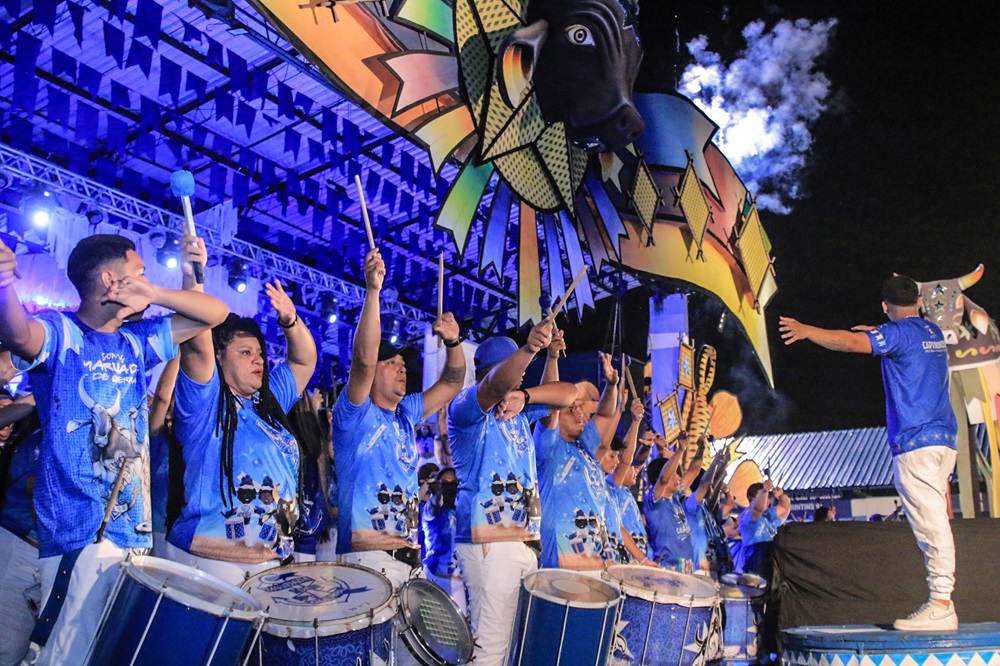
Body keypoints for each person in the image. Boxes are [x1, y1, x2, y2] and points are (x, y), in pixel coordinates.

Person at [0, 233, 229, 666]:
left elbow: (213, 314)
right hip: (79, 534)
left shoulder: (136, 340)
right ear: (111, 280)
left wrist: (173, 283)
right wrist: (3, 286)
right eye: (139, 273)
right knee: (65, 657)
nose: (146, 279)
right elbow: (19, 335)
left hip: (131, 535)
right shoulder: (61, 331)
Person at [780, 274, 959, 631]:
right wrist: (880, 330)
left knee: (931, 523)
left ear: (883, 306)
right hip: (944, 440)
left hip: (916, 443)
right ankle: (941, 599)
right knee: (933, 516)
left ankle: (941, 601)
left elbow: (849, 343)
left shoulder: (895, 335)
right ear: (920, 302)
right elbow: (902, 335)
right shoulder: (932, 332)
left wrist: (807, 330)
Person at [166, 276, 316, 584]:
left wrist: (291, 320)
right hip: (211, 559)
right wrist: (192, 274)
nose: (258, 359)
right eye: (245, 353)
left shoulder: (267, 402)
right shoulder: (205, 403)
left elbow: (304, 361)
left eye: (260, 353)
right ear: (219, 359)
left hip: (272, 559)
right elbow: (196, 345)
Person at [333, 248, 466, 586]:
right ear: (372, 375)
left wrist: (454, 343)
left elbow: (453, 382)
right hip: (367, 557)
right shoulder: (354, 413)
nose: (401, 368)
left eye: (403, 363)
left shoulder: (406, 412)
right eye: (390, 363)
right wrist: (373, 290)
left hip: (409, 553)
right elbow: (363, 360)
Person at [448, 322, 576, 666]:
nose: (520, 380)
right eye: (515, 372)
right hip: (490, 540)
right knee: (490, 646)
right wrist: (529, 350)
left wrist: (548, 360)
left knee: (509, 647)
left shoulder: (519, 409)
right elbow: (497, 384)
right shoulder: (467, 408)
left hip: (522, 541)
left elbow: (564, 395)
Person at [535, 341, 622, 572]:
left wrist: (611, 386)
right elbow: (550, 403)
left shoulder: (585, 446)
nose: (579, 413)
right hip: (563, 561)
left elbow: (604, 413)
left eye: (579, 408)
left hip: (596, 558)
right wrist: (552, 357)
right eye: (570, 410)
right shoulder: (549, 448)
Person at [0, 393, 42, 665]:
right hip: (19, 546)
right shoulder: (41, 438)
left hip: (31, 552)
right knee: (7, 649)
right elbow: (38, 491)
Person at [644, 432, 704, 573]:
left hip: (688, 567)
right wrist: (680, 450)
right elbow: (664, 478)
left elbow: (694, 471)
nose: (678, 477)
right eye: (674, 473)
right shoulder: (654, 501)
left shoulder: (675, 497)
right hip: (668, 568)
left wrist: (701, 448)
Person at [422, 467, 467, 614]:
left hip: (459, 582)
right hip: (436, 578)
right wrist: (436, 494)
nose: (450, 487)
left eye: (454, 483)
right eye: (444, 483)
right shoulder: (432, 511)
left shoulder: (464, 512)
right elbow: (435, 505)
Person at [738, 480, 790, 579]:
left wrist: (782, 495)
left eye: (768, 497)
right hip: (755, 561)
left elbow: (785, 507)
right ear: (752, 499)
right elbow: (758, 509)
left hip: (772, 560)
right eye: (763, 495)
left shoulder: (768, 514)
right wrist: (765, 490)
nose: (768, 500)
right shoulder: (748, 515)